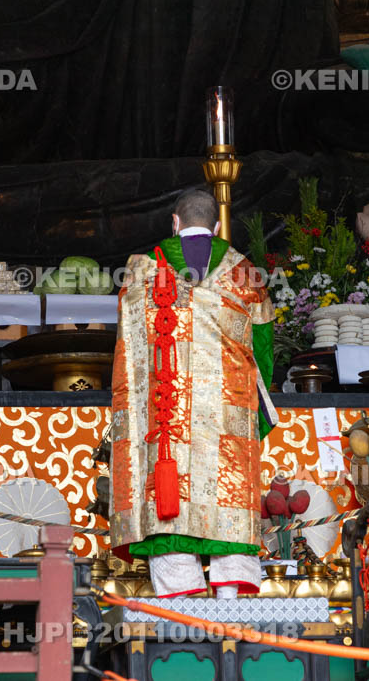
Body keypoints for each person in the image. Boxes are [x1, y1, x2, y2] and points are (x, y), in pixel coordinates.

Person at [109, 188, 276, 599]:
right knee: (229, 504)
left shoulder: (139, 272)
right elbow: (264, 355)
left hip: (163, 422)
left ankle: (182, 615)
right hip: (226, 418)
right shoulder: (245, 273)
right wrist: (255, 416)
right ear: (218, 227)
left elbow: (128, 354)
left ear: (175, 223)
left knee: (170, 515)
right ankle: (231, 609)